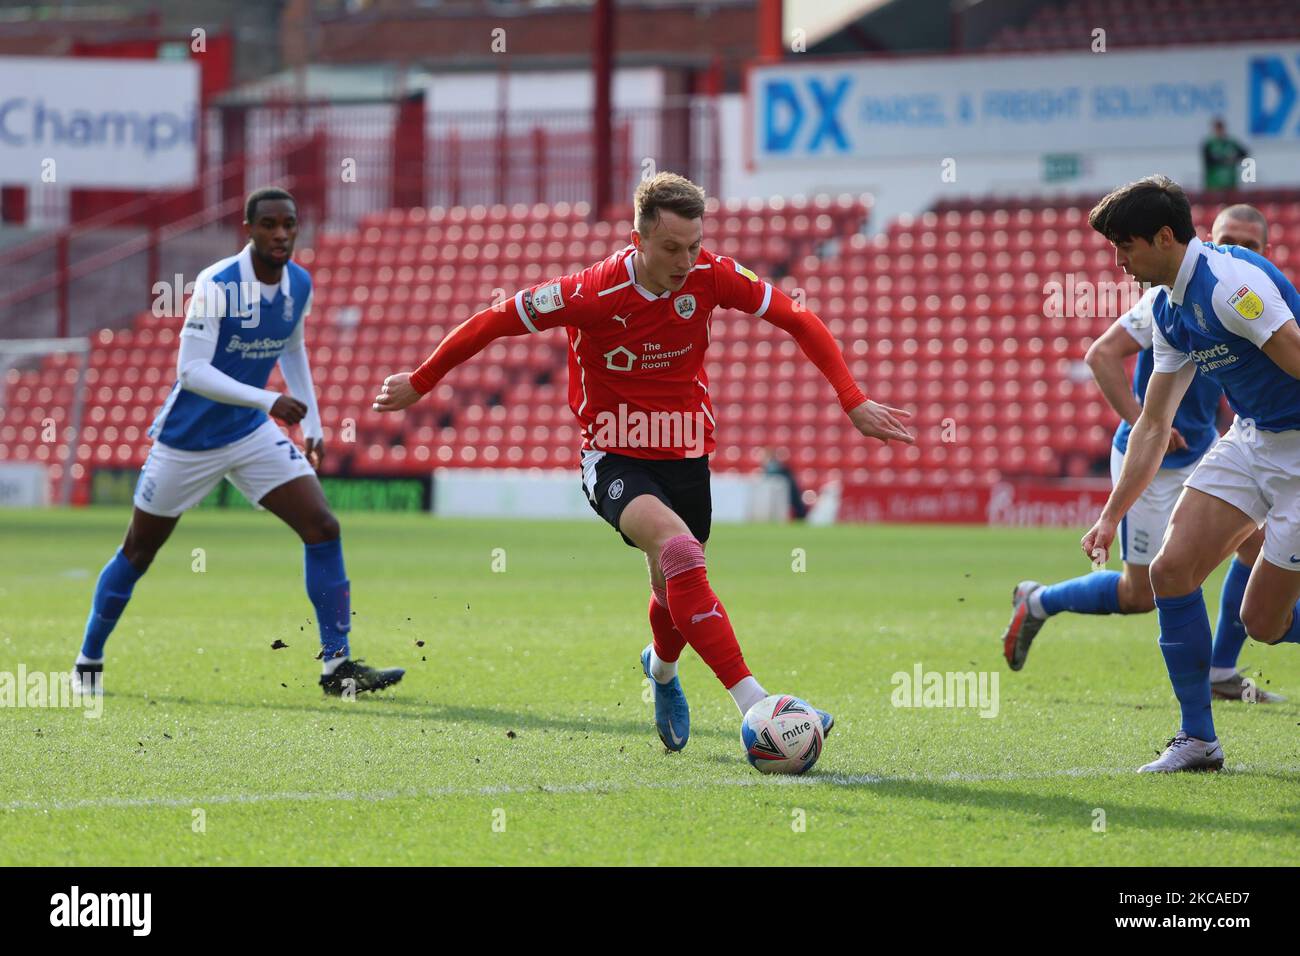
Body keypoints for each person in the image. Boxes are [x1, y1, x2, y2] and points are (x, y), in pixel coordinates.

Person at [373, 172, 912, 752]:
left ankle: (660, 669)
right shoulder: (591, 291)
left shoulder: (712, 276)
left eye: (694, 246)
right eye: (671, 248)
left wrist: (852, 400)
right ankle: (758, 706)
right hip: (614, 455)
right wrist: (422, 380)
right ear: (639, 239)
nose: (685, 261)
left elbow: (798, 320)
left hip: (686, 453)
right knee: (679, 550)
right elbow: (494, 320)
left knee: (673, 583)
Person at [72, 187, 404, 699]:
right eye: (269, 224)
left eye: (289, 224)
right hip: (187, 440)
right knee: (139, 550)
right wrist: (268, 401)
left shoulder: (299, 283)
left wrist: (311, 420)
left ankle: (336, 668)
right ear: (247, 229)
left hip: (248, 434)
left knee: (322, 526)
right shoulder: (217, 284)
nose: (280, 234)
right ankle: (88, 658)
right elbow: (192, 371)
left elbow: (292, 348)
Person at [1002, 204, 1282, 702]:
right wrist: (1139, 420)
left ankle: (1221, 668)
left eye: (1252, 243)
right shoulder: (1166, 299)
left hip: (1214, 448)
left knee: (1254, 546)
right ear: (1207, 238)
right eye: (1229, 237)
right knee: (1140, 595)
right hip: (1156, 461)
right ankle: (1039, 600)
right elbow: (1101, 354)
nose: (1241, 249)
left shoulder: (1248, 294)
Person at [1080, 175, 1300, 772]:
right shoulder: (1167, 308)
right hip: (1253, 439)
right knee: (1170, 571)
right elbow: (1152, 424)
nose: (1119, 261)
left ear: (1165, 236)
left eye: (1125, 246)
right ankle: (1198, 740)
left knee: (1263, 623)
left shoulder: (1231, 287)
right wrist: (1109, 517)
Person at [1202, 118, 1248, 191]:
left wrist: (1235, 159)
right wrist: (1226, 159)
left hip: (1231, 183)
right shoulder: (1209, 144)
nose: (1219, 131)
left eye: (1221, 128)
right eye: (1217, 129)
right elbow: (1208, 160)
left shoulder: (1232, 143)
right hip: (1214, 184)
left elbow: (1244, 153)